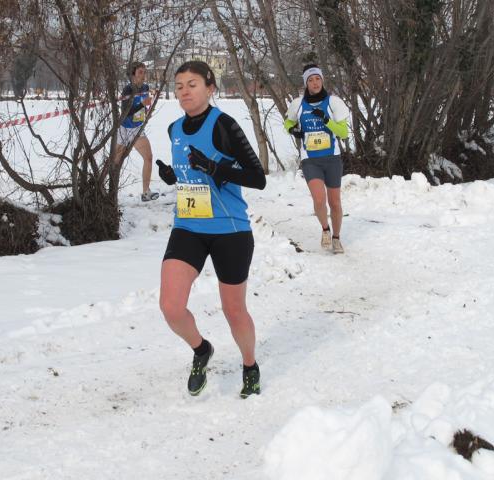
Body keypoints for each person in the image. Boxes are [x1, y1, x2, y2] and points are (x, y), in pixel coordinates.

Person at [155, 60, 266, 398]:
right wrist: (174, 177)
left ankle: (249, 365)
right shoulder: (174, 129)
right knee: (170, 307)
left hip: (229, 230)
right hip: (188, 226)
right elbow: (190, 175)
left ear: (210, 88)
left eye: (192, 84)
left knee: (234, 311)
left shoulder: (224, 125)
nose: (185, 91)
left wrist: (217, 168)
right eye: (179, 86)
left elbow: (257, 178)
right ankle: (201, 349)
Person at [284, 64, 349, 254]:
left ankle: (336, 238)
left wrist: (327, 120)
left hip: (332, 158)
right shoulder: (298, 104)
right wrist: (292, 129)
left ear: (322, 80)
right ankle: (325, 230)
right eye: (310, 80)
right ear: (306, 83)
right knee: (319, 200)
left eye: (317, 79)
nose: (315, 83)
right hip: (310, 160)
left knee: (335, 202)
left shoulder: (333, 102)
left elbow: (343, 133)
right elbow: (288, 122)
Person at [114, 61, 158, 202]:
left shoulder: (145, 87)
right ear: (133, 75)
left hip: (137, 128)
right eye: (140, 72)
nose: (144, 75)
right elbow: (126, 112)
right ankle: (108, 192)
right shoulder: (128, 90)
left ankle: (146, 192)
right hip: (124, 128)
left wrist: (147, 111)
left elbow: (143, 107)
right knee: (115, 162)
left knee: (149, 158)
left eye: (145, 72)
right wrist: (141, 105)